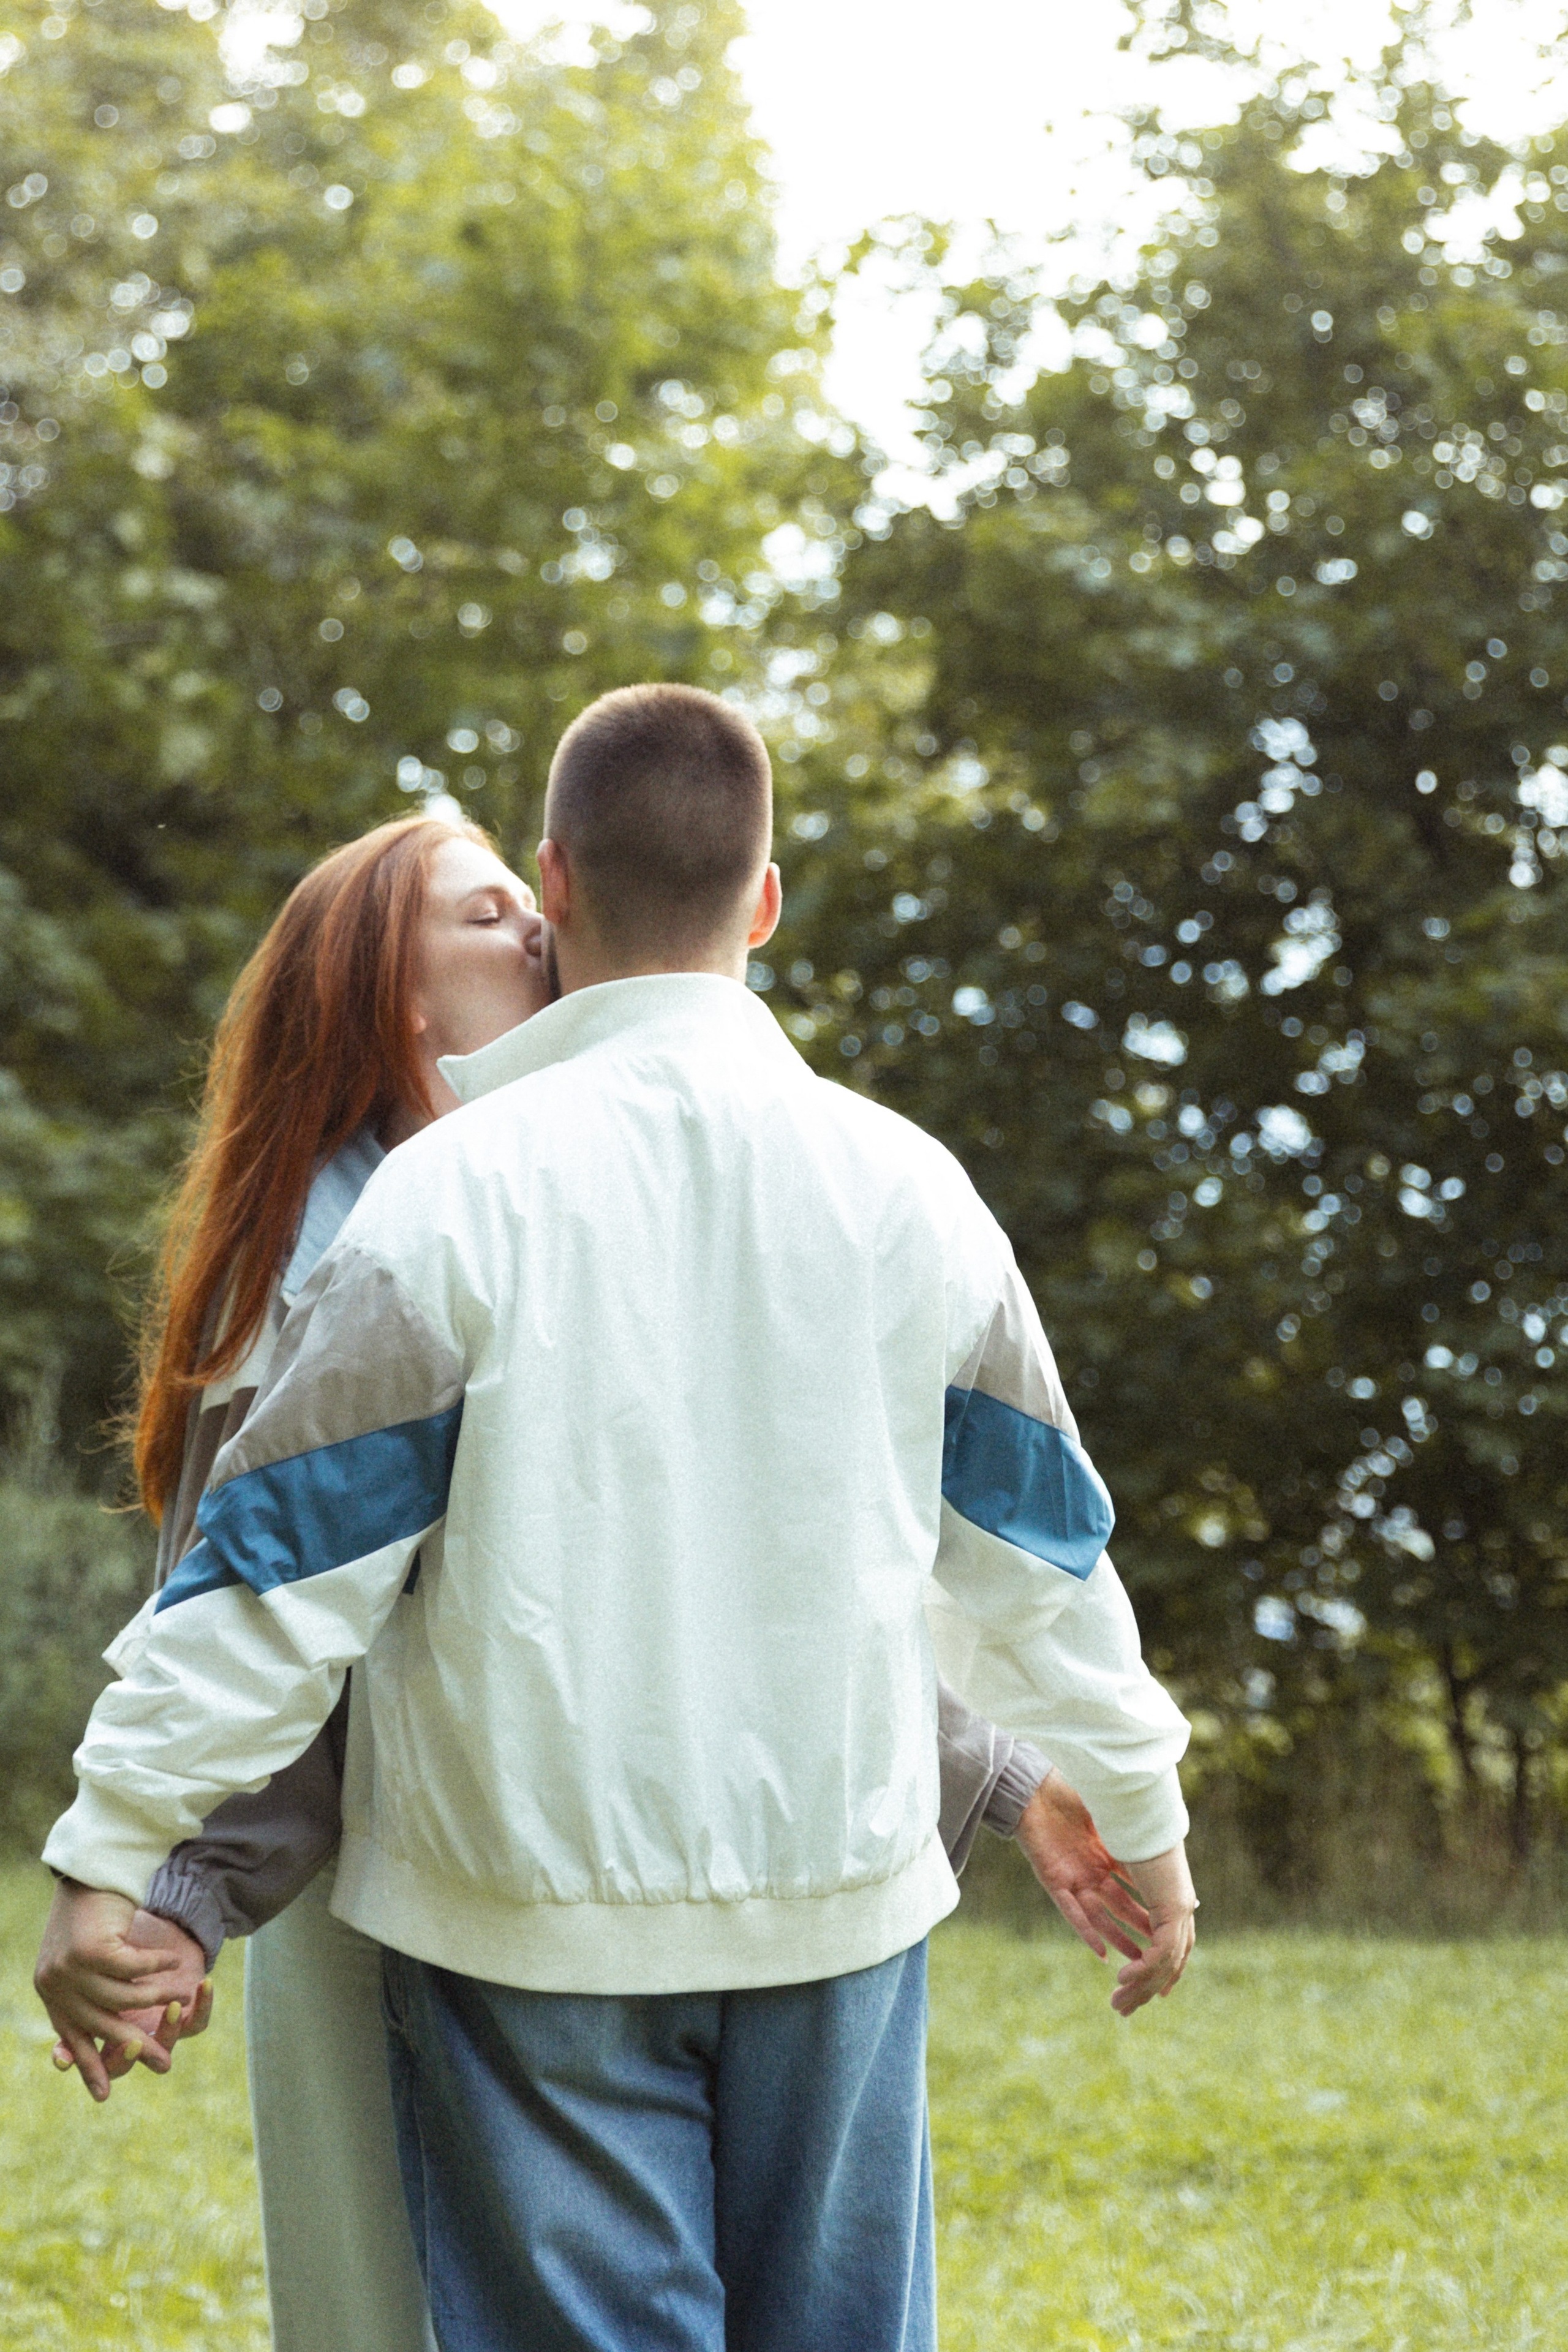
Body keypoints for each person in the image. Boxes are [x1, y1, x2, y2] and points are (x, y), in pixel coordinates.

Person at [35, 795, 1157, 2352]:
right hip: (421, 1874)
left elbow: (741, 1550)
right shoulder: (341, 1249)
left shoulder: (602, 1187)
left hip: (617, 1862)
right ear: (389, 994)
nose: (541, 934)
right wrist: (164, 1880)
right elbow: (280, 1621)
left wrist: (1001, 1771)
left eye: (530, 897)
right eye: (484, 914)